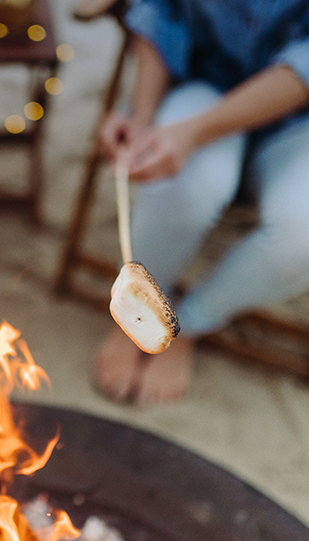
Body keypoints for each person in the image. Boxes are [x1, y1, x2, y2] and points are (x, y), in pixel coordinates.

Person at [93, 0, 309, 405]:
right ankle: (141, 314)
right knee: (183, 186)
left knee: (303, 236)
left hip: (300, 118)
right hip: (203, 80)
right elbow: (159, 11)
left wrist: (193, 133)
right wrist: (142, 117)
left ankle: (185, 327)